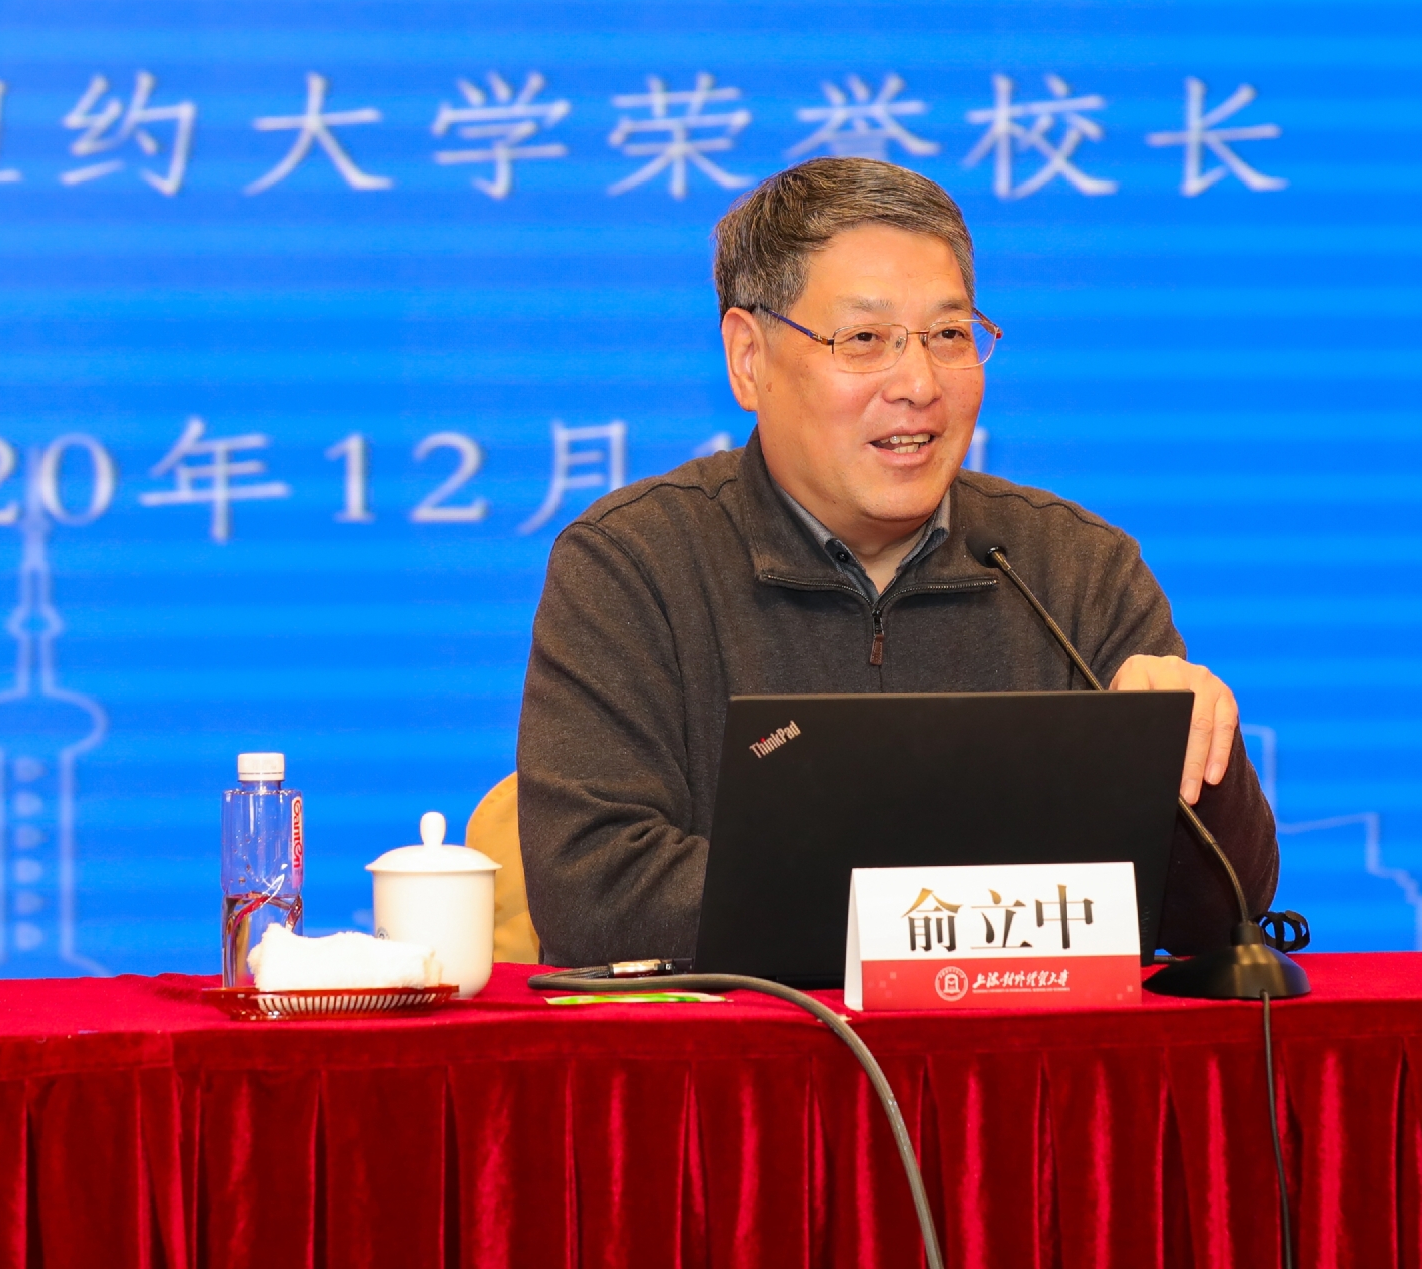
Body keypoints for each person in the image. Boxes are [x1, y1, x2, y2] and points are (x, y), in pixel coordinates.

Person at [517, 156, 1277, 964]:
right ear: (748, 358)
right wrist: (948, 911)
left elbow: (1213, 914)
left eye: (949, 335)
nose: (918, 383)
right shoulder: (633, 565)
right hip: (749, 1047)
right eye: (864, 340)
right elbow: (596, 894)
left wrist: (1199, 754)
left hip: (1017, 1046)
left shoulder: (1074, 568)